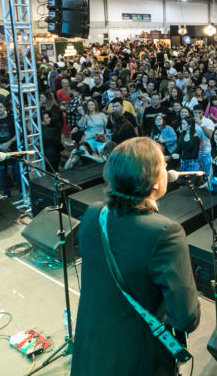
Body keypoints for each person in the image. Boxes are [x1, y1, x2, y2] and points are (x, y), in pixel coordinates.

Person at [71, 138, 201, 376]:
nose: (167, 170)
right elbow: (185, 319)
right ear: (153, 182)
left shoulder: (92, 214)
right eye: (163, 165)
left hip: (92, 351)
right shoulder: (165, 233)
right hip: (137, 361)